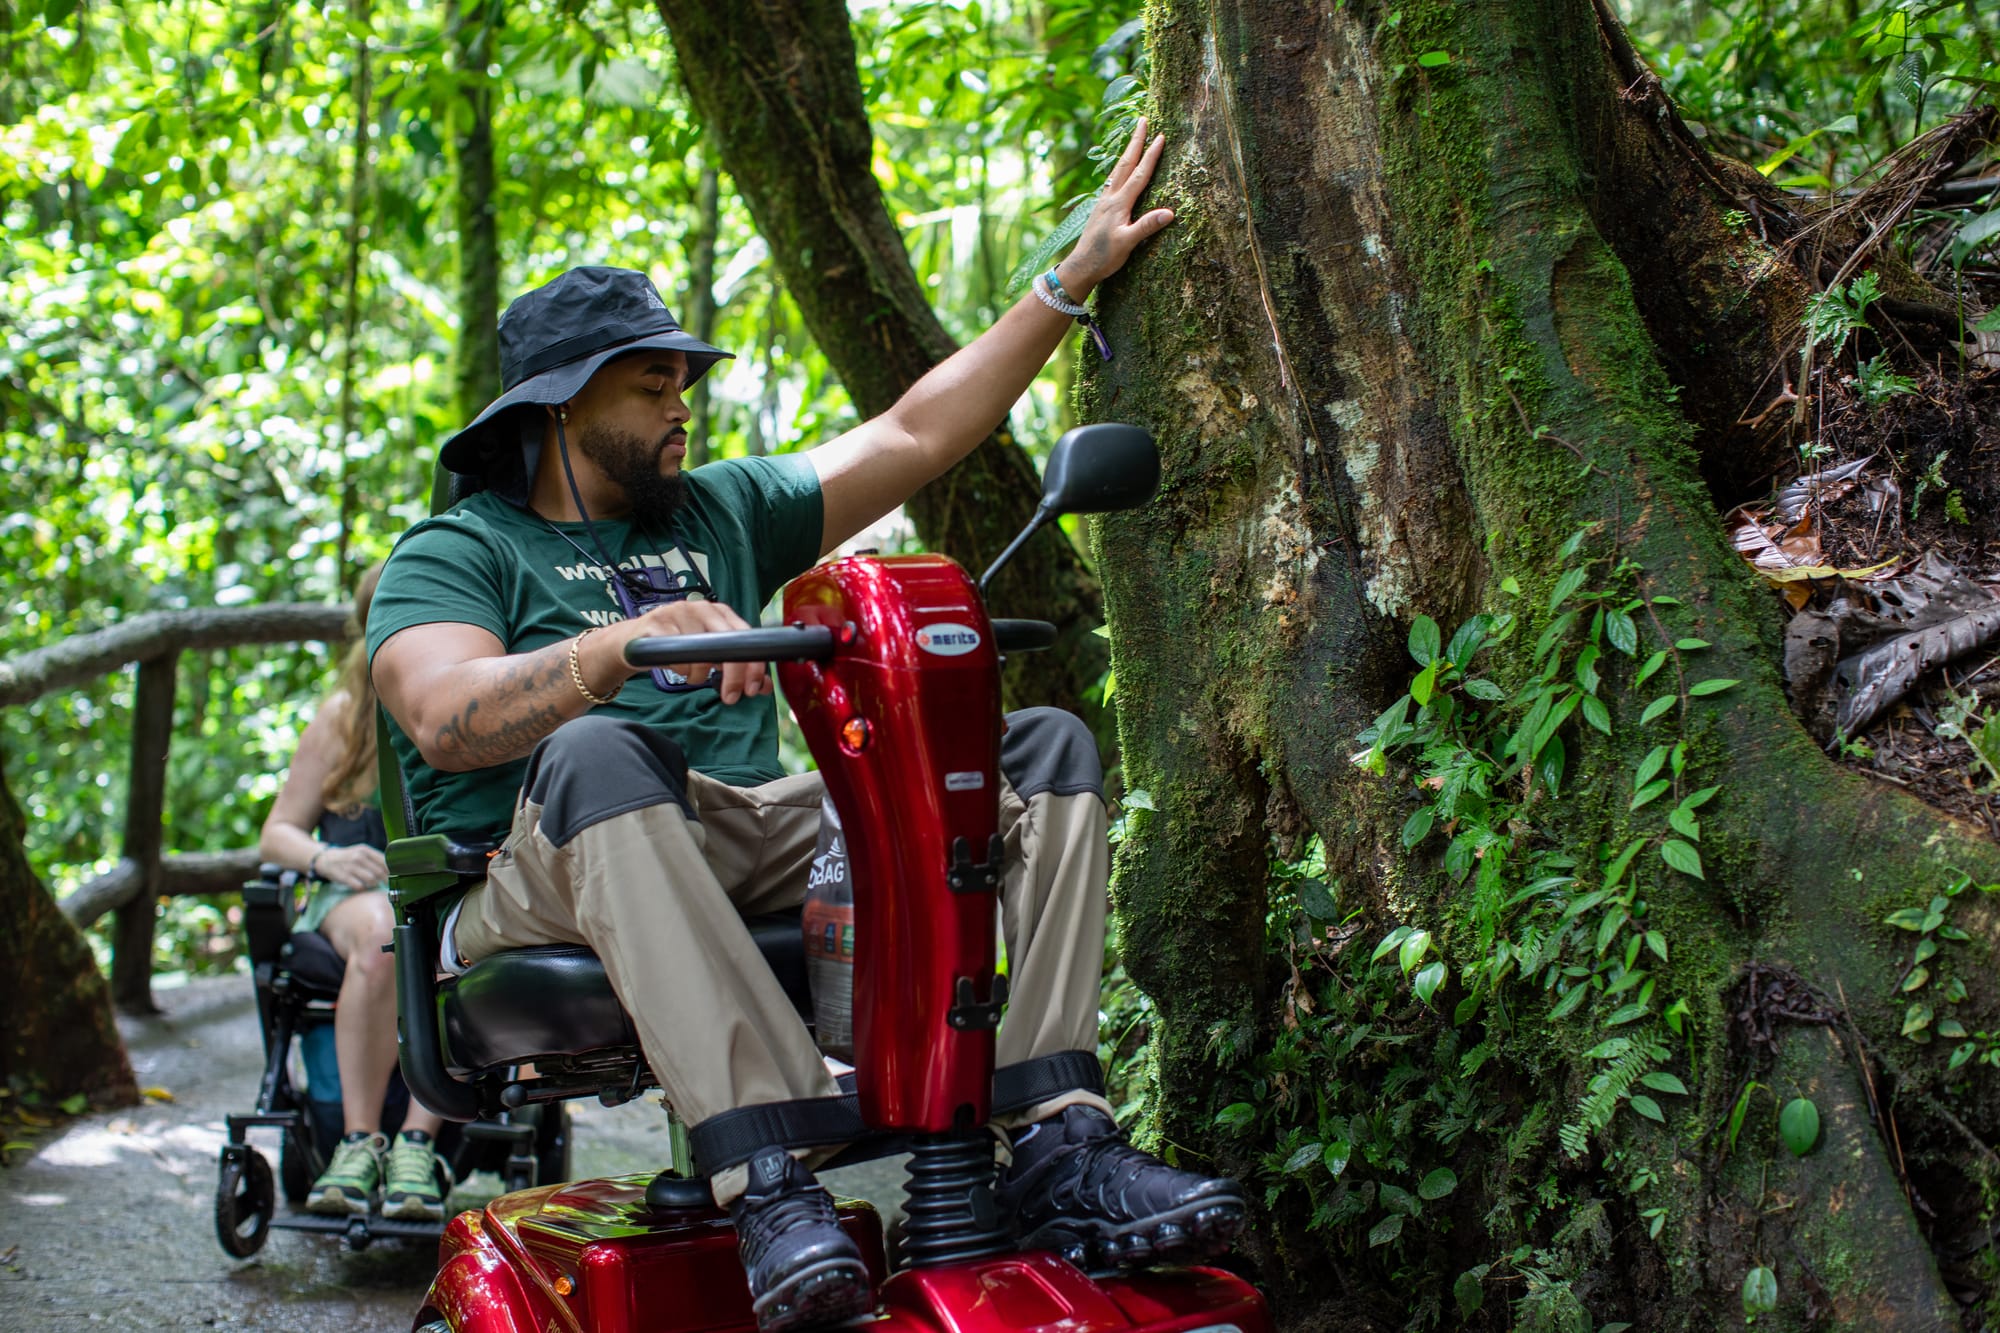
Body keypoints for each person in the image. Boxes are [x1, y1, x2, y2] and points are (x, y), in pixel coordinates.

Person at [369, 119, 1242, 1332]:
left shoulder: (721, 509)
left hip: (737, 829)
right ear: (559, 407)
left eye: (683, 381)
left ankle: (1054, 1132)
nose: (682, 406)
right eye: (651, 385)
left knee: (1036, 750)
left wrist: (1066, 281)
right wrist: (613, 648)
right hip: (534, 866)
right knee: (599, 749)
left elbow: (914, 432)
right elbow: (443, 716)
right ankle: (769, 1175)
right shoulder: (459, 549)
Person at [259, 562, 450, 1221]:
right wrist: (327, 857)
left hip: (440, 888)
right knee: (386, 936)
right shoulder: (343, 717)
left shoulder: (464, 703)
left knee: (454, 940)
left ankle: (418, 1143)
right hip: (356, 895)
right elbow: (277, 832)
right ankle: (358, 1141)